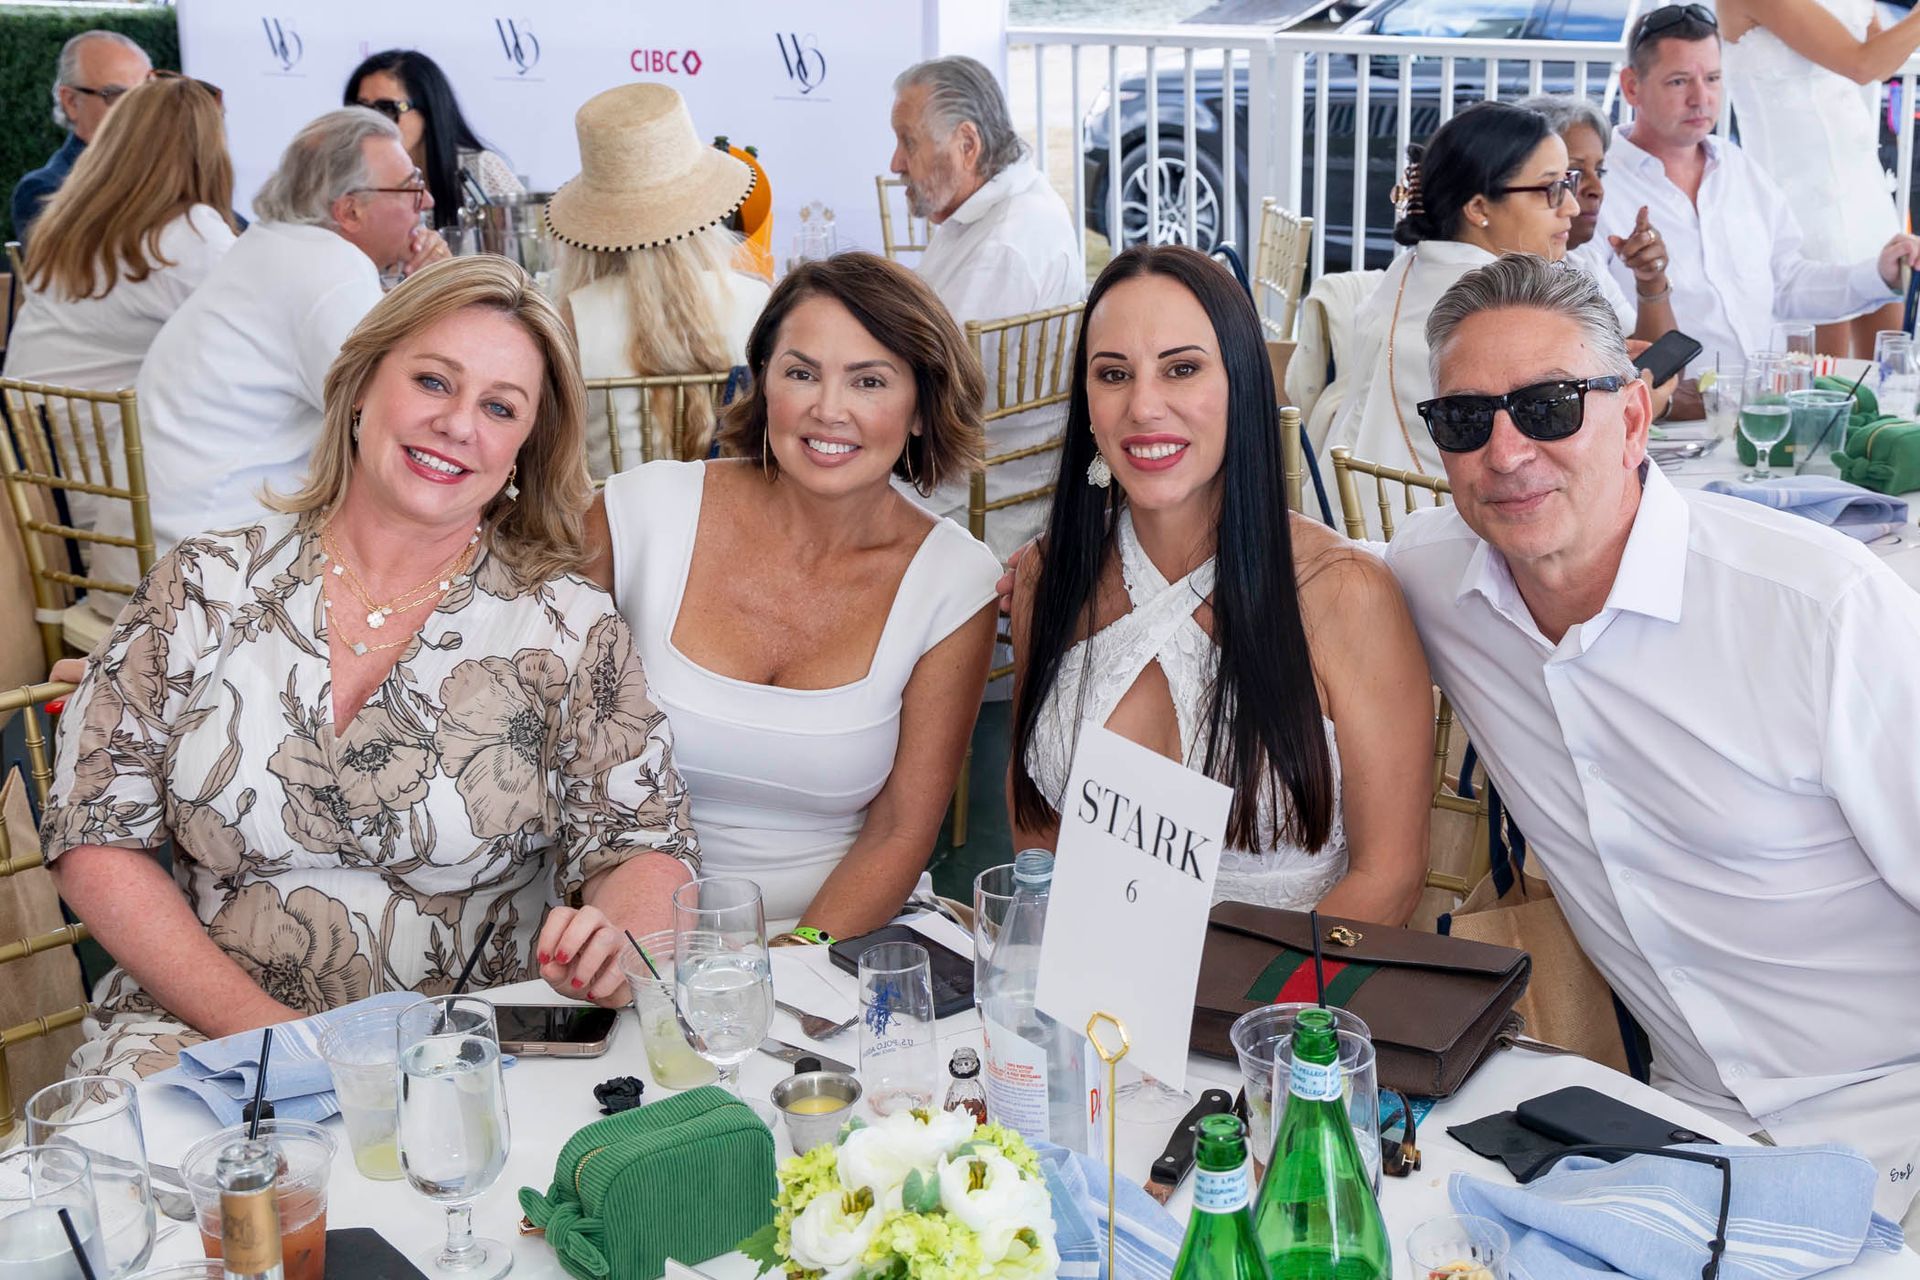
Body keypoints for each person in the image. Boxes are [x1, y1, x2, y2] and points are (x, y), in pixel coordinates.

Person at [40, 256, 698, 1080]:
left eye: (499, 407)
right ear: (360, 390)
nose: (457, 423)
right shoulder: (204, 586)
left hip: (474, 1048)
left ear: (524, 448)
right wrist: (291, 1043)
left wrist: (617, 940)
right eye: (432, 382)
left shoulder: (567, 626)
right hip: (209, 1033)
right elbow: (94, 833)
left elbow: (643, 844)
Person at [1385, 252, 1920, 1231]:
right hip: (1680, 1136)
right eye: (1464, 420)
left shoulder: (1821, 613)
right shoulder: (1431, 580)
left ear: (1634, 417)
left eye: (1549, 407)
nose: (1506, 451)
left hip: (1896, 1115)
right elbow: (1294, 572)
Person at [1011, 245, 1431, 921]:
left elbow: (1390, 878)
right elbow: (1038, 833)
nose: (1144, 406)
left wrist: (1254, 993)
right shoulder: (1046, 576)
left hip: (1289, 984)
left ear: (1242, 383)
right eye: (1114, 374)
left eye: (1181, 369)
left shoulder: (1344, 594)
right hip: (1092, 979)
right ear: (1087, 404)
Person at [585, 252, 999, 935]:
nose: (828, 410)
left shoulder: (955, 582)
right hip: (629, 929)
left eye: (869, 381)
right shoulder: (642, 514)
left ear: (922, 411)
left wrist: (796, 959)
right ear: (763, 382)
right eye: (801, 373)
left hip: (838, 938)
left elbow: (899, 829)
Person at [88, 107, 452, 601]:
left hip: (141, 559)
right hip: (196, 586)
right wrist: (435, 295)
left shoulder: (270, 245)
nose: (426, 201)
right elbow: (396, 425)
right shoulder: (330, 272)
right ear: (349, 212)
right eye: (410, 187)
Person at [1597, 5, 1920, 374]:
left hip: (1763, 396)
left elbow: (1787, 283)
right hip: (1669, 401)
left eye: (1713, 78)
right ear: (1631, 87)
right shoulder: (1600, 191)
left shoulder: (1740, 172)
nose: (1700, 98)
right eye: (1679, 82)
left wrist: (1879, 274)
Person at [3, 75, 236, 562]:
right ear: (207, 150)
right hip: (118, 518)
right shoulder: (189, 234)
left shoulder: (69, 222)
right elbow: (272, 335)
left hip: (42, 500)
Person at [1320, 102, 1583, 490]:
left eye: (1568, 182)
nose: (1572, 206)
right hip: (1442, 513)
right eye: (1551, 190)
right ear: (1478, 207)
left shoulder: (1412, 266)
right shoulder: (1496, 305)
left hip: (1359, 500)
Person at [890, 55, 1085, 558]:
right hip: (971, 466)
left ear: (967, 145)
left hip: (972, 491)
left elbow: (934, 395)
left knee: (814, 481)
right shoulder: (1002, 204)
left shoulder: (1003, 248)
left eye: (908, 142)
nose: (896, 162)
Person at [548, 83, 770, 477]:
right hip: (738, 509)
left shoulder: (572, 317)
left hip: (607, 512)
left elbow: (551, 452)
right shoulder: (759, 301)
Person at [1722, 0, 1920, 355]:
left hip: (1862, 187)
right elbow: (1862, 64)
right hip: (1796, 199)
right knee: (1818, 370)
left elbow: (1882, 62)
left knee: (1887, 357)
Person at [1517, 95, 1679, 346]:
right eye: (1574, 173)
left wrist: (1651, 281)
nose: (1597, 189)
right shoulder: (1488, 277)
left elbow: (1650, 360)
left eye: (1599, 171)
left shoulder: (1583, 262)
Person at [345, 49, 523, 229]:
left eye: (387, 109)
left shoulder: (478, 167)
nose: (372, 121)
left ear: (428, 110)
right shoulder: (350, 176)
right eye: (362, 109)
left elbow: (524, 236)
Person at [10, 30, 150, 247]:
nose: (136, 109)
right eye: (116, 96)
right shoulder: (45, 190)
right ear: (71, 102)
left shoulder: (166, 170)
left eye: (146, 96)